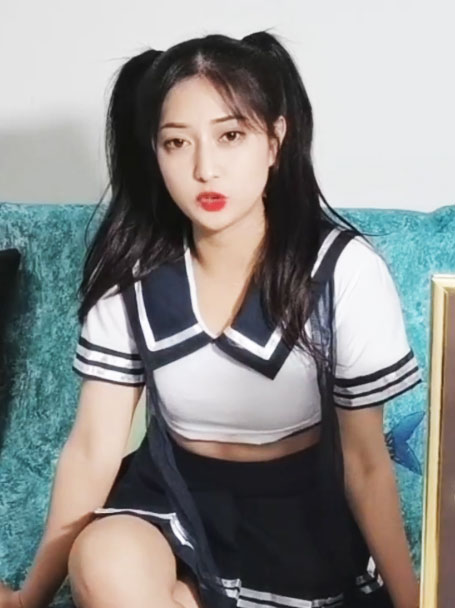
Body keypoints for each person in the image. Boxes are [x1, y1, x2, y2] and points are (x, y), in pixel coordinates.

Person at [0, 30, 422, 608]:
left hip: (301, 521)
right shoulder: (132, 272)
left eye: (230, 136)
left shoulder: (342, 269)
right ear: (155, 153)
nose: (205, 169)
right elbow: (94, 447)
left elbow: (366, 463)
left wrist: (412, 598)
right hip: (171, 504)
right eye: (177, 143)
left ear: (275, 141)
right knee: (104, 561)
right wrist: (31, 596)